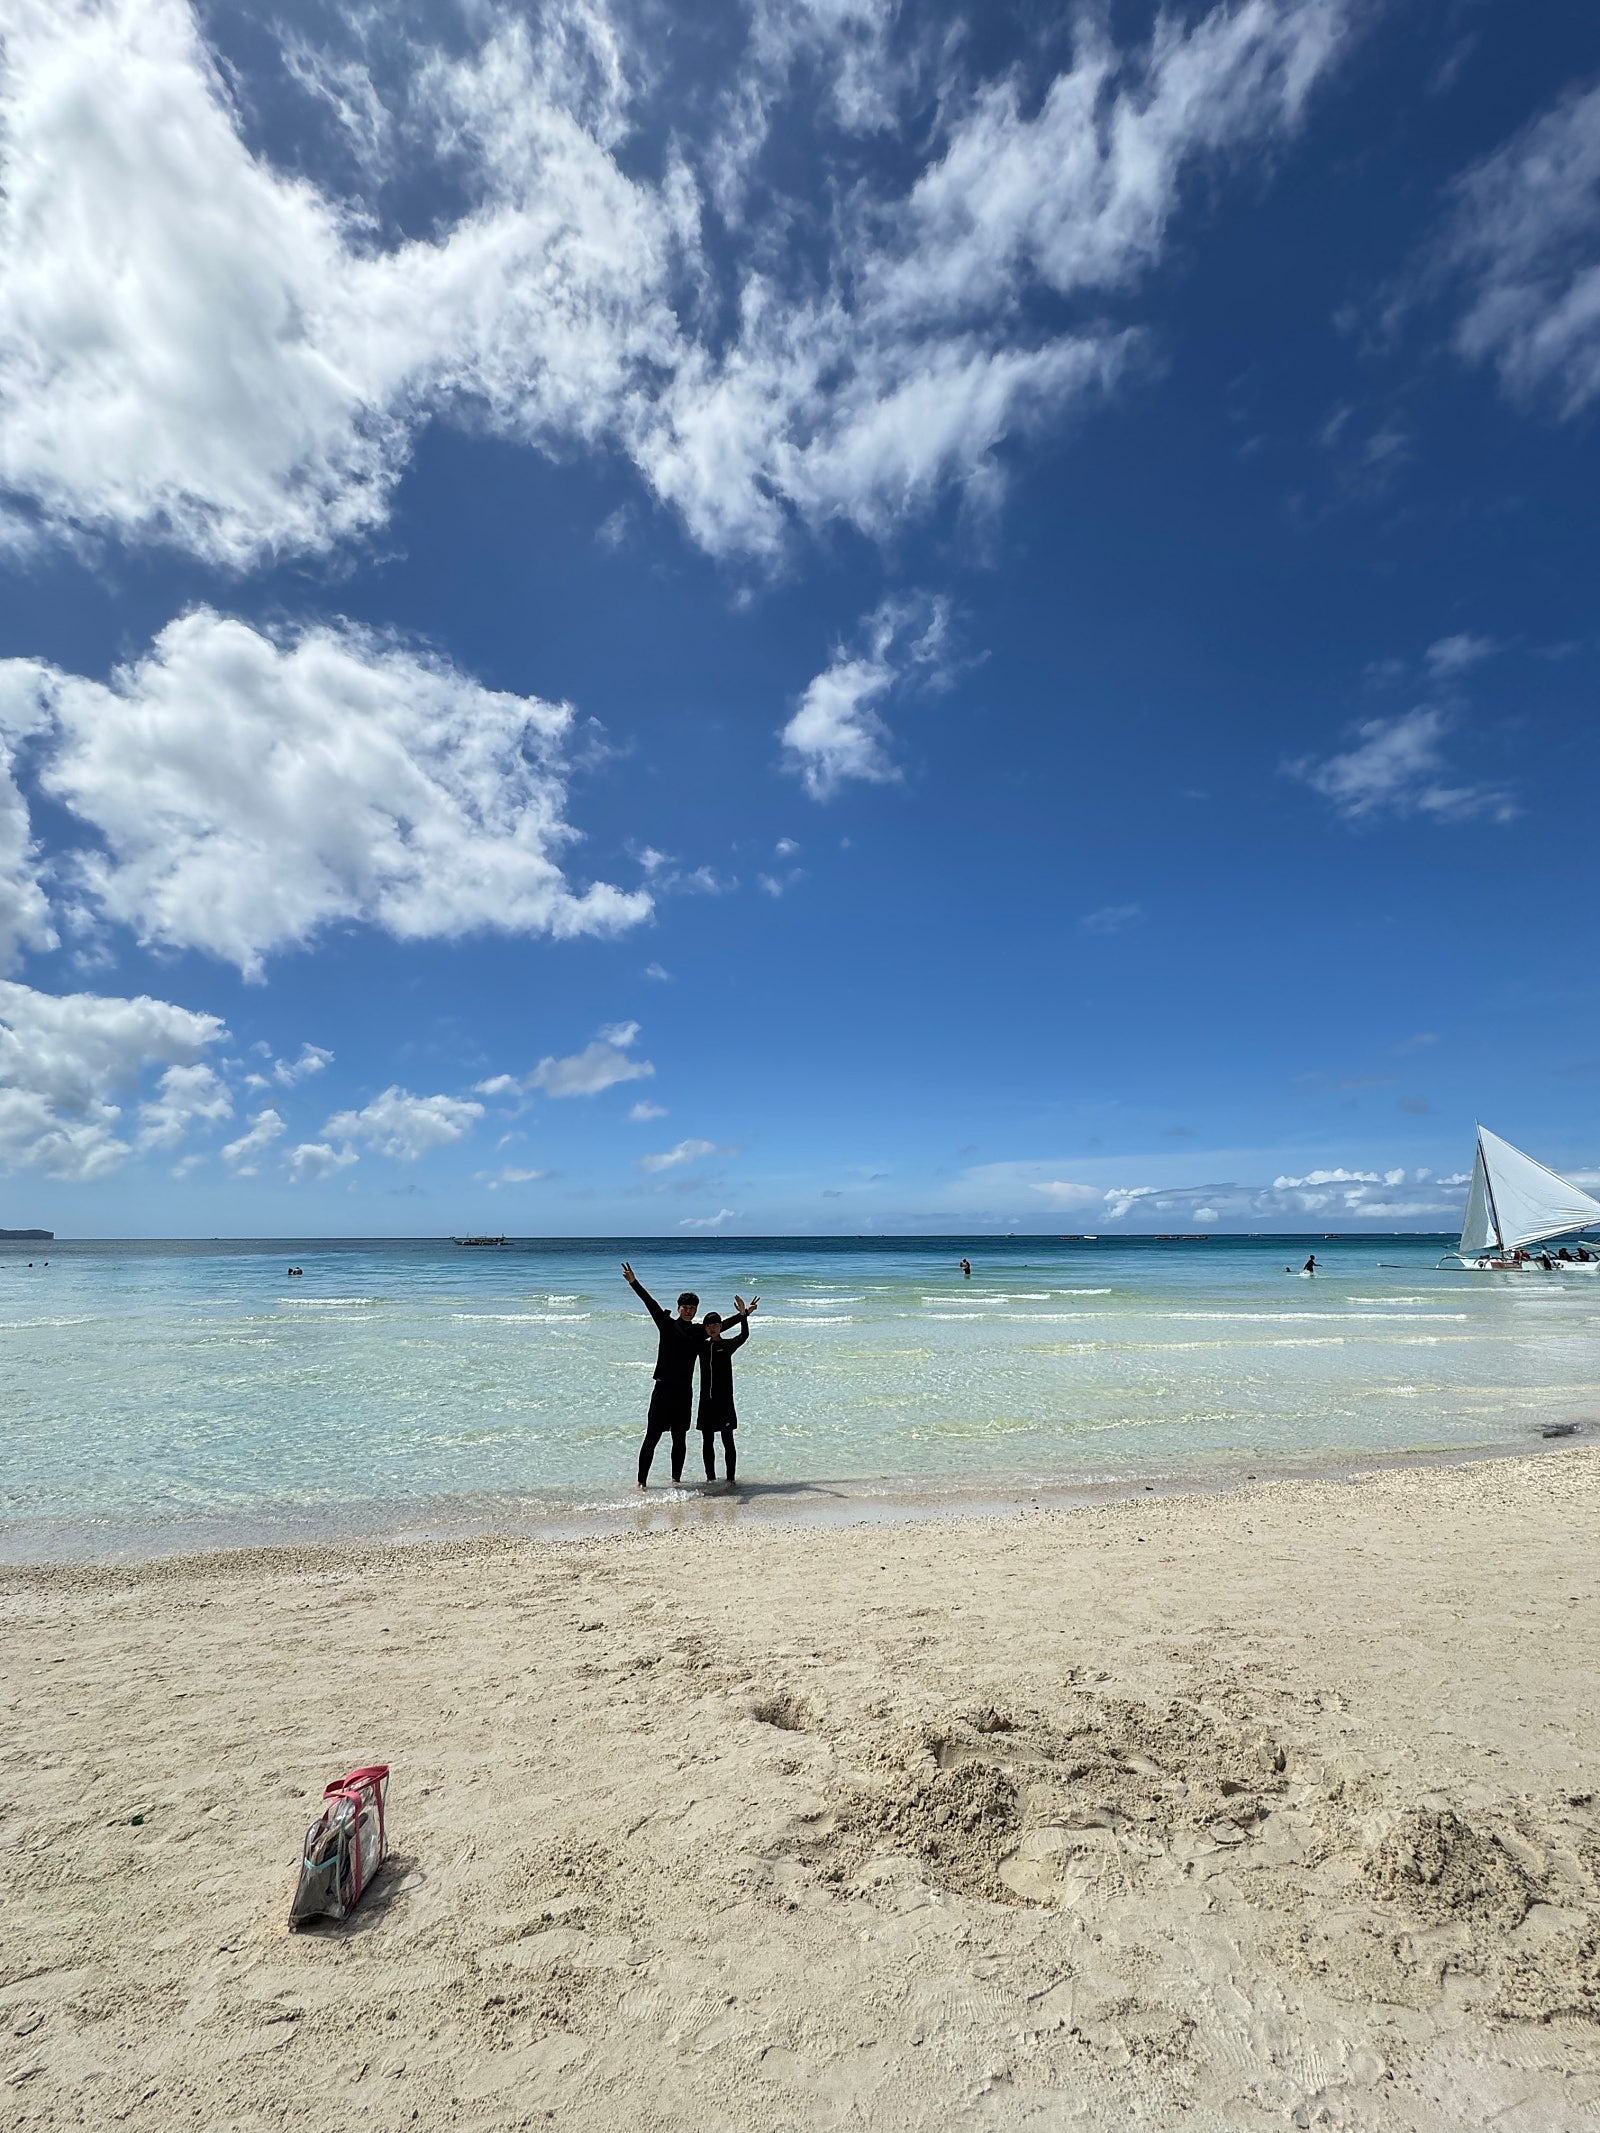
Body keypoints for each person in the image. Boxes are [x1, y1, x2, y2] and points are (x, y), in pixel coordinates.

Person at [623, 1262, 709, 1488]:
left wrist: (744, 1315)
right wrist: (634, 1282)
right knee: (652, 1436)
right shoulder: (667, 1325)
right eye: (685, 1307)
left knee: (679, 1439)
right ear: (678, 1307)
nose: (689, 1310)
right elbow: (649, 1303)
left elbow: (719, 1326)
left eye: (693, 1308)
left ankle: (676, 1481)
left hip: (684, 1392)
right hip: (663, 1389)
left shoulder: (699, 1332)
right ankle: (641, 1482)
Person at [698, 1295, 757, 1487]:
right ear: (705, 1328)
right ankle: (710, 1479)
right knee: (707, 1441)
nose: (712, 1327)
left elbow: (744, 1336)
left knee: (727, 1440)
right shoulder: (702, 1347)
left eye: (716, 1324)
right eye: (709, 1325)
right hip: (706, 1401)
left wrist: (743, 1315)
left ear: (720, 1326)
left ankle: (731, 1479)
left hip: (724, 1401)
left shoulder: (727, 1345)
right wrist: (743, 1313)